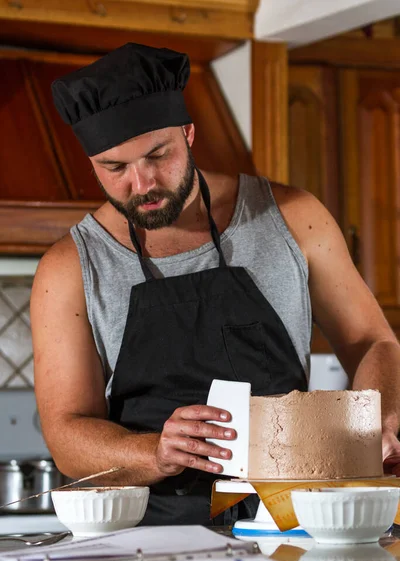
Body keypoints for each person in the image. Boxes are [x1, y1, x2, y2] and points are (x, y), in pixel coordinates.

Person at [31, 42, 400, 526]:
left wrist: (380, 424)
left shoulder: (293, 218)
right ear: (93, 164)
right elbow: (65, 436)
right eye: (115, 168)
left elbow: (374, 341)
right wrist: (155, 452)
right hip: (151, 533)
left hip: (294, 520)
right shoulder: (69, 268)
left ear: (187, 134)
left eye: (157, 155)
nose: (141, 184)